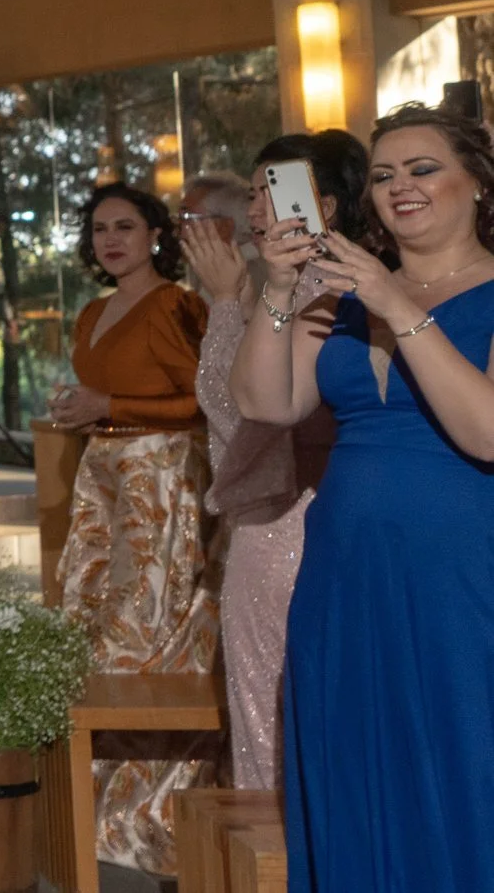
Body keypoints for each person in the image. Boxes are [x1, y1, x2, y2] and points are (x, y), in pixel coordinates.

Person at [236, 104, 494, 890]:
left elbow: (487, 435)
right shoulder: (347, 292)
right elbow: (266, 404)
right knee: (352, 756)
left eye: (422, 169)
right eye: (383, 175)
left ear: (479, 185)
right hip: (343, 570)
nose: (398, 188)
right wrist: (279, 289)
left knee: (461, 753)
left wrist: (397, 305)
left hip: (459, 570)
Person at [179, 135, 360, 791]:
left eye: (273, 191)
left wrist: (227, 301)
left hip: (290, 517)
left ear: (329, 207)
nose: (258, 208)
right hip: (299, 510)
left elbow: (246, 411)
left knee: (270, 720)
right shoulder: (293, 283)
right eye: (255, 193)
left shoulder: (322, 285)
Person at [45, 181, 215, 875]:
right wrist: (84, 414)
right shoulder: (91, 312)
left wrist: (108, 402)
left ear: (155, 236)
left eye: (124, 226)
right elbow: (103, 396)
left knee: (142, 630)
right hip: (105, 473)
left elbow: (204, 398)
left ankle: (149, 817)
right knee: (88, 622)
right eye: (98, 230)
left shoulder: (177, 304)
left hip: (158, 477)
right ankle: (86, 813)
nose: (110, 239)